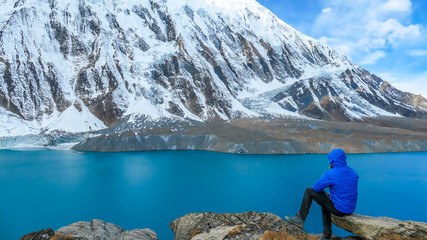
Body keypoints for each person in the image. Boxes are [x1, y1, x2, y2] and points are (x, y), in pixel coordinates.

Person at [285, 148, 358, 240]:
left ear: (332, 160)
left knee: (309, 191)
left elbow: (316, 188)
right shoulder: (353, 172)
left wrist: (328, 175)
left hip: (340, 209)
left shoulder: (332, 173)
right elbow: (345, 190)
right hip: (350, 208)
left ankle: (300, 218)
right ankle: (327, 235)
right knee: (325, 206)